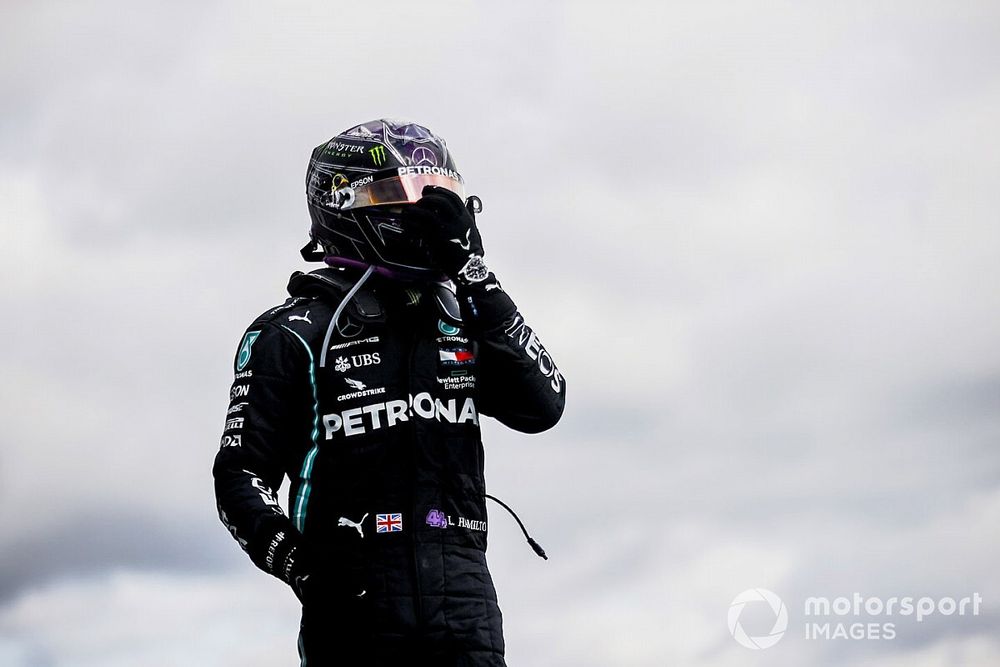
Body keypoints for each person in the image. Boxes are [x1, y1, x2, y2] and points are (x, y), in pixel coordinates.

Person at [213, 119, 566, 665]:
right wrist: (302, 569)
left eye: (440, 196)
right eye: (401, 194)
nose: (426, 212)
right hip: (354, 608)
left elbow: (543, 406)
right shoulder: (293, 331)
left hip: (464, 603)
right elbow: (240, 475)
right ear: (344, 202)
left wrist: (474, 272)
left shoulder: (464, 314)